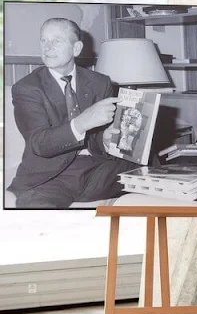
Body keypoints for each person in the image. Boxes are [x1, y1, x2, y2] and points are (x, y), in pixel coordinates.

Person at [8, 18, 137, 209]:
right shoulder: (27, 88)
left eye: (56, 41)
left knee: (152, 169)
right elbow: (40, 143)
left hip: (98, 170)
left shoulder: (100, 82)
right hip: (52, 177)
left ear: (76, 48)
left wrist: (105, 138)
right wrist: (83, 122)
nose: (48, 47)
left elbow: (95, 138)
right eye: (44, 40)